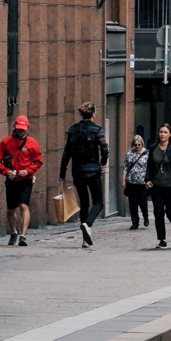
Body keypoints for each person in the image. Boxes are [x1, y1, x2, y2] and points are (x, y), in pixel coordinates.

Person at [60, 104, 110, 248]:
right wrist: (103, 163)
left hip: (77, 172)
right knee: (99, 202)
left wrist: (62, 172)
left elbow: (66, 153)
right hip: (93, 170)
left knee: (84, 203)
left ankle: (84, 240)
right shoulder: (97, 130)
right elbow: (105, 149)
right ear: (93, 114)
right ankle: (88, 224)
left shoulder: (73, 130)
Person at [0, 115, 43, 247]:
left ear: (27, 129)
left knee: (24, 205)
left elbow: (38, 161)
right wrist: (5, 171)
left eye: (23, 129)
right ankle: (13, 232)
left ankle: (23, 235)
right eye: (19, 129)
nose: (21, 132)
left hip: (26, 179)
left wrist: (28, 171)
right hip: (11, 179)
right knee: (11, 209)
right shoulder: (6, 142)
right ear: (14, 128)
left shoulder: (32, 143)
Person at [149, 127, 171, 247]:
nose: (162, 134)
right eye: (161, 132)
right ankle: (162, 239)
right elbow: (149, 166)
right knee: (158, 211)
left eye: (165, 132)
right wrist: (147, 179)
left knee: (170, 212)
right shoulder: (153, 148)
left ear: (169, 135)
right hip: (157, 185)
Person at [123, 131, 151, 230]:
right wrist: (123, 180)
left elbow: (150, 167)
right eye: (135, 145)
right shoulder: (130, 153)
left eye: (139, 145)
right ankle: (135, 222)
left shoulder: (147, 153)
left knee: (143, 201)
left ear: (142, 144)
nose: (137, 146)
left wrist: (149, 180)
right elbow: (125, 167)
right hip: (131, 182)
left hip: (142, 182)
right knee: (133, 203)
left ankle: (146, 216)